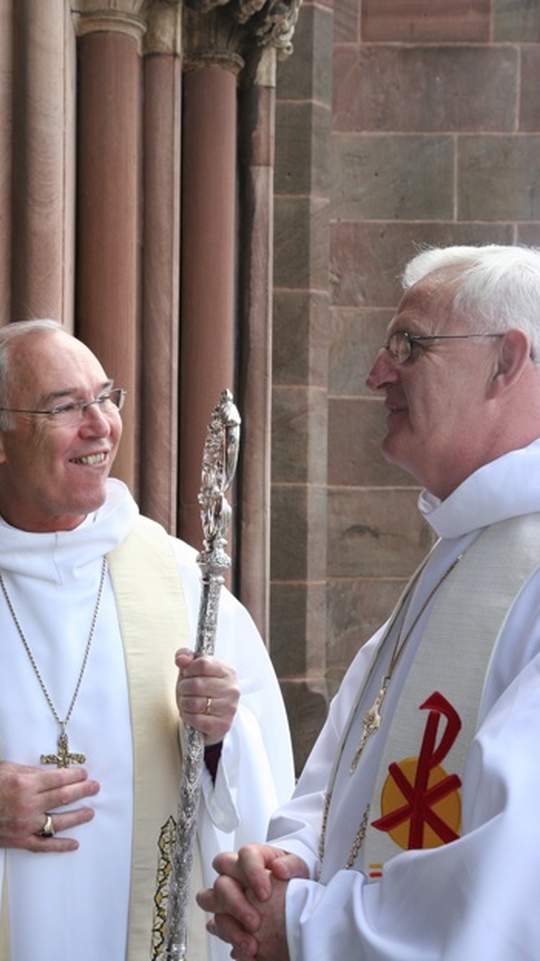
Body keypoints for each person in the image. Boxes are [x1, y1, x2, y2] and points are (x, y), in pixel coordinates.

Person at [0, 319, 295, 961]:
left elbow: (269, 802)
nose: (100, 425)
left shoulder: (182, 582)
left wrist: (223, 736)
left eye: (106, 397)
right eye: (65, 406)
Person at [198, 244, 540, 961]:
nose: (376, 372)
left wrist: (308, 923)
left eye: (407, 345)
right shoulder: (460, 552)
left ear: (506, 363)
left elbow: (515, 871)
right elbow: (354, 757)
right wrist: (290, 863)